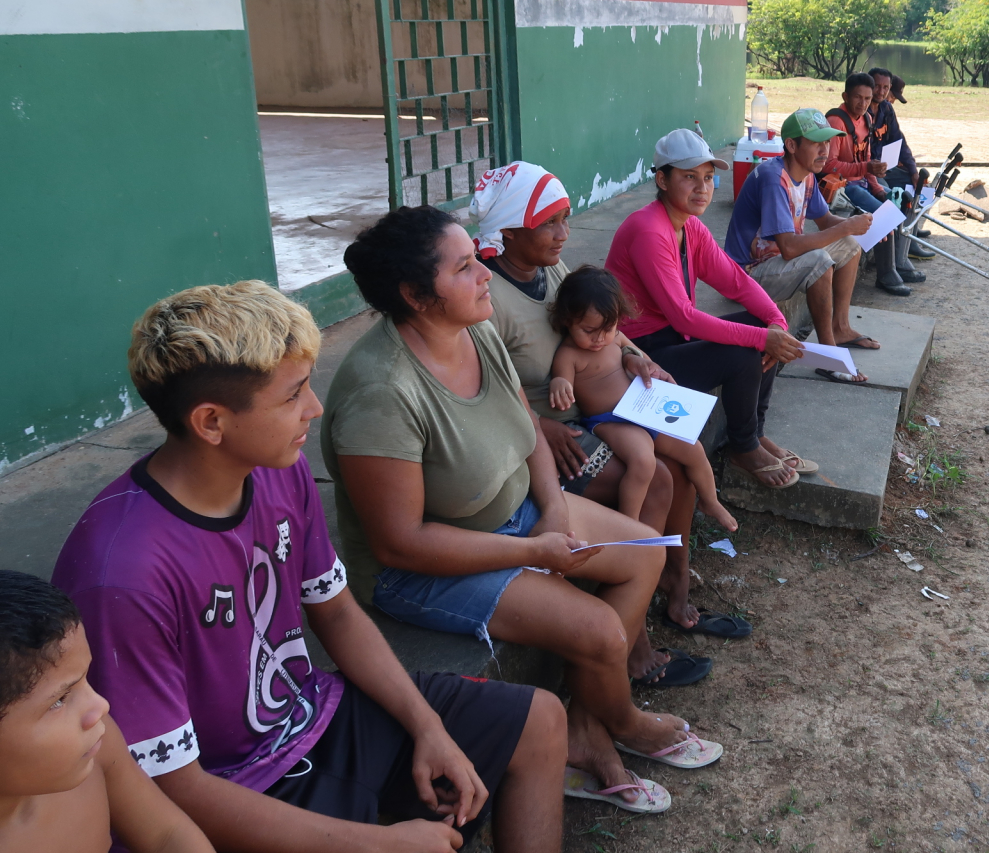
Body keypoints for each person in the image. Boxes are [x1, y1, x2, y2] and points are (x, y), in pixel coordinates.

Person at [52, 281, 568, 852]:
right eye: (293, 394)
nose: (315, 407)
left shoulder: (277, 465)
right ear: (211, 422)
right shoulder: (121, 574)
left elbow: (338, 614)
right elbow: (172, 789)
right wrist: (377, 844)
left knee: (539, 722)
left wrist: (429, 727)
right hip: (232, 786)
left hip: (314, 717)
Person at [324, 207, 720, 815]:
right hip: (429, 565)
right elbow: (399, 544)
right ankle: (627, 722)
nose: (484, 274)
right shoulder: (382, 392)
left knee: (641, 556)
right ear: (414, 295)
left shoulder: (475, 329)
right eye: (464, 266)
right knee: (600, 632)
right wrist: (534, 552)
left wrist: (555, 512)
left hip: (517, 515)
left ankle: (586, 732)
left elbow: (530, 429)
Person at [469, 161, 709, 686]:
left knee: (681, 456)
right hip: (548, 435)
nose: (563, 234)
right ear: (510, 230)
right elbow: (482, 386)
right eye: (549, 223)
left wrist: (640, 358)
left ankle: (668, 585)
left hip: (594, 410)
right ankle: (634, 631)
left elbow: (604, 323)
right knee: (656, 478)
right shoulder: (491, 302)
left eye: (565, 219)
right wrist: (539, 423)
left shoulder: (551, 273)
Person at [605, 129, 807, 635]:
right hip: (643, 355)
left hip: (671, 337)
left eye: (708, 177)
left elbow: (735, 281)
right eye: (688, 178)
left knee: (762, 332)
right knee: (745, 352)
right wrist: (760, 339)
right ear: (661, 179)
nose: (701, 188)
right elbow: (686, 316)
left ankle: (753, 432)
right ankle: (743, 445)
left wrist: (774, 323)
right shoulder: (650, 229)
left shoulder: (689, 227)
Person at [0, 571, 214, 853]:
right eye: (60, 700)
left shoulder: (96, 749)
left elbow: (167, 835)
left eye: (86, 679)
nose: (100, 706)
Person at [548, 265, 738, 533]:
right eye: (589, 330)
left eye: (608, 327)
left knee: (692, 446)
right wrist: (559, 383)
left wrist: (645, 363)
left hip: (642, 409)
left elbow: (637, 354)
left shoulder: (613, 337)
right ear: (568, 320)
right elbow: (562, 379)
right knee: (643, 460)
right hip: (610, 421)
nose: (599, 338)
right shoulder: (569, 354)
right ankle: (628, 522)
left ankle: (710, 500)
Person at [724, 109, 884, 353]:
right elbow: (789, 248)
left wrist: (865, 225)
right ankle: (829, 354)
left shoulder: (807, 174)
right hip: (748, 275)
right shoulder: (774, 178)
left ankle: (840, 328)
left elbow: (825, 219)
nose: (825, 151)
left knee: (850, 245)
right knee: (819, 260)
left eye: (827, 143)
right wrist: (847, 227)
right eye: (816, 143)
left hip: (777, 263)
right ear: (791, 145)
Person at [823, 72, 915, 295]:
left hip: (862, 181)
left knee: (899, 200)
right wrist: (865, 170)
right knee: (884, 215)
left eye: (866, 98)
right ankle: (886, 274)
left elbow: (866, 161)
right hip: (844, 187)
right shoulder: (836, 121)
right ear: (845, 96)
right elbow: (828, 165)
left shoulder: (867, 119)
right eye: (857, 98)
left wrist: (876, 186)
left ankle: (899, 261)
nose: (862, 103)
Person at [868, 67, 936, 256]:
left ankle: (910, 241)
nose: (881, 92)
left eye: (885, 87)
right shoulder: (862, 111)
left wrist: (914, 171)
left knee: (916, 184)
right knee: (893, 196)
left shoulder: (886, 108)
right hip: (867, 171)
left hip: (884, 167)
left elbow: (899, 142)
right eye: (877, 87)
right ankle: (896, 257)